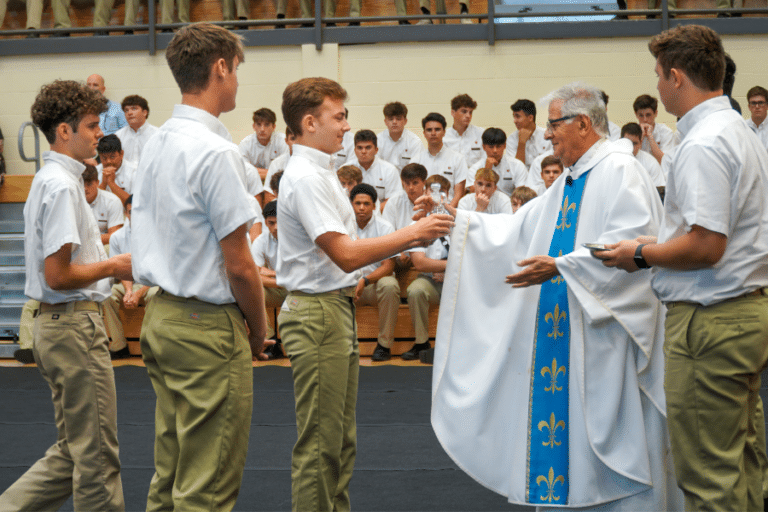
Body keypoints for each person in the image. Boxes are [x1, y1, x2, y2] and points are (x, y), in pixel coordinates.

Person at [431, 82, 682, 509]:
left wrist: (562, 266)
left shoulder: (621, 171)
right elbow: (520, 227)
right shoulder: (572, 176)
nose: (546, 135)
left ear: (583, 124)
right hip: (567, 335)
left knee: (609, 442)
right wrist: (460, 223)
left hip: (605, 340)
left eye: (553, 124)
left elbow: (636, 246)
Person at [599, 25, 768, 511]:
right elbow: (723, 235)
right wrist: (656, 243)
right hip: (742, 310)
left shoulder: (702, 143)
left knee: (709, 478)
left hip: (710, 320)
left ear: (676, 77)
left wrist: (642, 254)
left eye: (657, 76)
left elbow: (706, 246)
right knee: (743, 465)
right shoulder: (737, 129)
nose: (656, 87)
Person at [276, 76, 453, 511]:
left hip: (331, 310)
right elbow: (347, 255)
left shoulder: (320, 173)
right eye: (339, 117)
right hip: (318, 312)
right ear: (310, 121)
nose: (345, 126)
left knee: (338, 439)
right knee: (321, 443)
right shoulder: (305, 177)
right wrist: (410, 234)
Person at [131, 23, 268, 512]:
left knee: (169, 478)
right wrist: (257, 330)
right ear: (221, 68)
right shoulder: (215, 152)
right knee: (205, 488)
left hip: (161, 317)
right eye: (237, 71)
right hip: (206, 327)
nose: (237, 82)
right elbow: (241, 266)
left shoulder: (155, 144)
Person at [0, 79, 132, 512]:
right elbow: (57, 275)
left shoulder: (56, 180)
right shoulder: (60, 185)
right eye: (92, 125)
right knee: (95, 458)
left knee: (74, 451)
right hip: (72, 323)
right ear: (63, 131)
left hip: (62, 325)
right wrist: (115, 266)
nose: (100, 133)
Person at [350, 184, 400, 362]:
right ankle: (345, 345)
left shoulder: (385, 228)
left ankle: (384, 346)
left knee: (390, 285)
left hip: (373, 285)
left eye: (366, 203)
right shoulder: (342, 228)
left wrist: (365, 280)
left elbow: (388, 266)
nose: (361, 208)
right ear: (351, 205)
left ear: (374, 205)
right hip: (349, 285)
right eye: (357, 203)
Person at [103, 194, 156, 360]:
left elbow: (159, 274)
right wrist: (128, 291)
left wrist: (138, 293)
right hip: (128, 282)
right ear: (126, 213)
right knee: (106, 296)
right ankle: (119, 346)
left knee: (156, 296)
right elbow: (119, 269)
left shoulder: (157, 234)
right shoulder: (117, 237)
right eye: (131, 212)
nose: (135, 215)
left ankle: (151, 347)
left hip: (152, 284)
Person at [405, 174, 451, 361]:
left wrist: (448, 273)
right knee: (415, 290)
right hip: (429, 279)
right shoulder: (416, 223)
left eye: (441, 193)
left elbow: (468, 258)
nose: (436, 197)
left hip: (456, 280)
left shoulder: (459, 222)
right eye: (432, 192)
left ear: (447, 195)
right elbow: (419, 263)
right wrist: (446, 267)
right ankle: (422, 342)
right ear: (425, 194)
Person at [250, 200, 288, 359]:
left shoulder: (298, 238)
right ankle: (271, 343)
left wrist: (269, 273)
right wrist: (279, 278)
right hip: (280, 286)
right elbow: (255, 275)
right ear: (265, 222)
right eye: (271, 223)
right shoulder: (260, 241)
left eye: (279, 222)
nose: (276, 227)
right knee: (252, 291)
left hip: (297, 288)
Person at [412, 112, 468, 208]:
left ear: (444, 132)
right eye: (429, 130)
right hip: (424, 210)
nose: (433, 133)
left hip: (450, 211)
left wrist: (448, 213)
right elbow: (413, 191)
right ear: (424, 133)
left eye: (437, 129)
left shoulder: (458, 159)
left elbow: (459, 193)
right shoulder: (416, 161)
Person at [349, 129, 402, 210]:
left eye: (368, 148)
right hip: (351, 215)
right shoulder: (345, 169)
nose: (363, 151)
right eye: (359, 148)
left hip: (380, 216)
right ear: (355, 150)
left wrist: (370, 212)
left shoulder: (389, 170)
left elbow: (393, 201)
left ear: (376, 150)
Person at [466, 127, 527, 196]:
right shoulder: (475, 168)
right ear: (484, 147)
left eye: (498, 146)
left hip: (510, 204)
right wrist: (487, 170)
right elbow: (473, 192)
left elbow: (521, 193)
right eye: (491, 147)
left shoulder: (517, 165)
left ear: (504, 146)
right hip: (483, 203)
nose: (495, 151)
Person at [238, 107, 290, 180]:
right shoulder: (245, 144)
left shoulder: (283, 141)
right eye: (259, 124)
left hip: (277, 183)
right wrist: (272, 173)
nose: (262, 129)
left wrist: (256, 172)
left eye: (267, 125)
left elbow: (285, 171)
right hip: (253, 182)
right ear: (254, 126)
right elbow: (243, 171)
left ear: (273, 127)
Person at [83, 164, 124, 247]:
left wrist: (86, 241)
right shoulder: (71, 201)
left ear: (97, 183)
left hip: (103, 246)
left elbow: (113, 236)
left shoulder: (112, 201)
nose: (85, 189)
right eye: (81, 184)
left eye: (89, 184)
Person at [505, 98, 552, 167]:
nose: (514, 121)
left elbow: (554, 164)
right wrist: (521, 143)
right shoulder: (511, 139)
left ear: (530, 118)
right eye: (514, 117)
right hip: (522, 177)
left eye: (518, 116)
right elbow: (515, 168)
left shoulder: (548, 136)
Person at [377, 101, 423, 171]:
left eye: (398, 119)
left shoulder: (415, 142)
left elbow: (416, 170)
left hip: (407, 180)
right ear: (385, 121)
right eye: (390, 119)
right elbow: (375, 166)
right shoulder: (377, 140)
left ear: (405, 121)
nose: (394, 122)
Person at [443, 94, 485, 168]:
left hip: (475, 177)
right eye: (464, 111)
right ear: (453, 113)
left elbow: (485, 160)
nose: (468, 116)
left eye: (470, 112)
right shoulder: (444, 136)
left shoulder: (481, 134)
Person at [633, 93, 678, 164]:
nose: (645, 119)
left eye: (648, 115)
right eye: (641, 115)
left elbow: (665, 162)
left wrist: (650, 138)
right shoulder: (631, 132)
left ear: (655, 113)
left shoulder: (666, 132)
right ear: (636, 115)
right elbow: (630, 159)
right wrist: (640, 138)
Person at [115, 94, 159, 165]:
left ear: (145, 112)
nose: (129, 113)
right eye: (126, 110)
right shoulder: (118, 136)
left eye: (134, 109)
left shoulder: (157, 134)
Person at [621, 122, 666, 187]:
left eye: (634, 143)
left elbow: (659, 189)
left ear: (640, 143)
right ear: (620, 140)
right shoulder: (612, 161)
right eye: (627, 142)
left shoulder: (651, 162)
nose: (631, 147)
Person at [97, 134, 136, 205]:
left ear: (121, 154)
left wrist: (112, 184)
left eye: (112, 157)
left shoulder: (134, 171)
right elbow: (90, 202)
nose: (108, 161)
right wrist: (103, 184)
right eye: (104, 158)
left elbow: (133, 204)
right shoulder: (96, 171)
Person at [263, 125, 295, 203]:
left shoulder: (317, 162)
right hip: (283, 210)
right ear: (286, 141)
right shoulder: (277, 163)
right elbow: (269, 195)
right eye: (293, 139)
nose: (296, 143)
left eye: (300, 139)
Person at [747, 85, 768, 150]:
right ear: (749, 107)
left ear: (767, 106)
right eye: (753, 103)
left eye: (761, 103)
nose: (757, 107)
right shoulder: (743, 127)